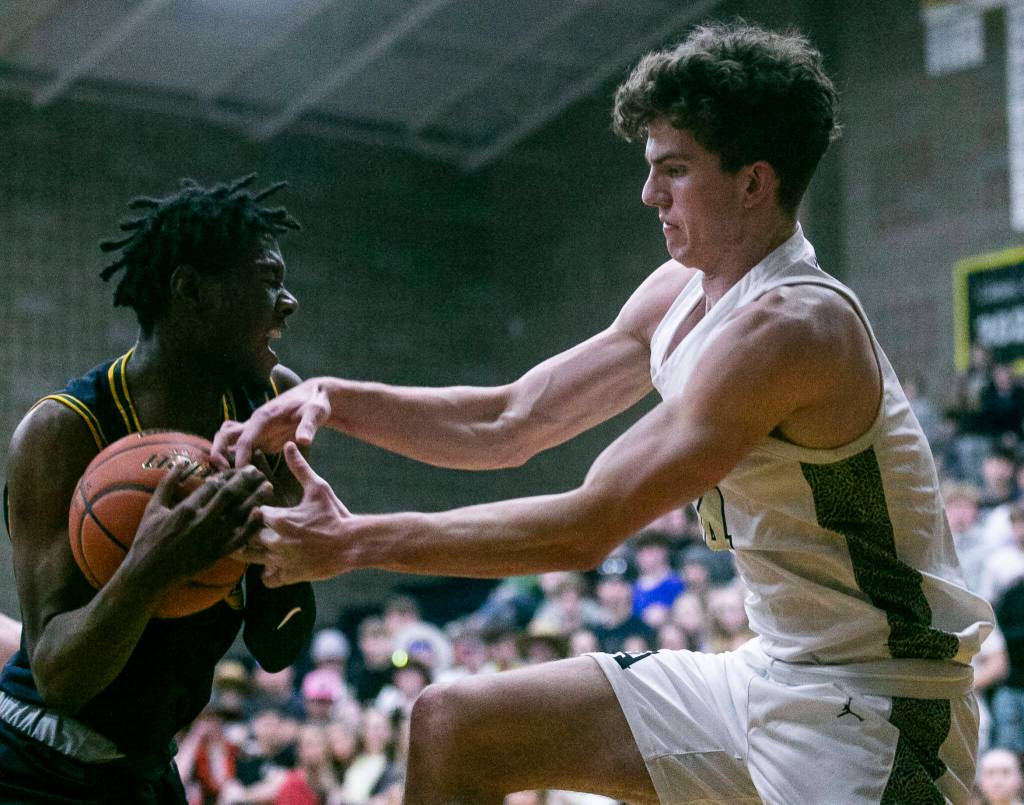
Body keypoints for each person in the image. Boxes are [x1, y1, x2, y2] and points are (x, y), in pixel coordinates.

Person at [215, 23, 994, 804]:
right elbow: (510, 421)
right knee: (455, 724)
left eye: (674, 170)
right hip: (768, 672)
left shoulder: (793, 326)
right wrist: (333, 399)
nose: (649, 193)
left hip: (880, 703)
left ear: (754, 183)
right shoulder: (679, 292)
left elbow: (586, 526)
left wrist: (353, 542)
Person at [0, 176, 316, 803]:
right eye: (268, 279)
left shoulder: (271, 404)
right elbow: (59, 679)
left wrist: (284, 534)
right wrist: (149, 569)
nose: (289, 302)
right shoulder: (63, 431)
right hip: (36, 762)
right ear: (190, 291)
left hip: (147, 771)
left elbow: (278, 646)